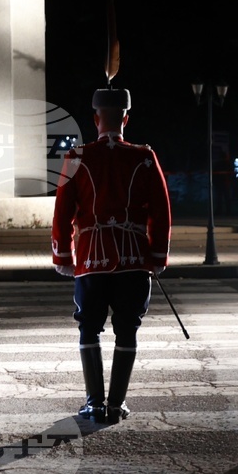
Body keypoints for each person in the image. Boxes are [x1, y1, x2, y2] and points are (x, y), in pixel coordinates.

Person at [51, 85, 171, 424]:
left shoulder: (76, 157)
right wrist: (158, 256)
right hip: (134, 259)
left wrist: (63, 255)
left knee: (89, 328)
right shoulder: (144, 156)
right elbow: (161, 211)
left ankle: (94, 403)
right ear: (126, 119)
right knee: (128, 329)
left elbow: (62, 211)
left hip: (91, 258)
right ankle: (116, 403)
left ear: (95, 119)